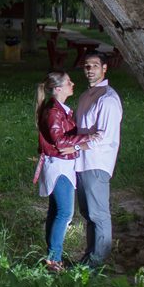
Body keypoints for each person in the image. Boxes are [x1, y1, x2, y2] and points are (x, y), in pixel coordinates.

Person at [34, 70, 99, 272]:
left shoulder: (58, 109)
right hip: (59, 165)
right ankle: (54, 259)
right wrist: (88, 139)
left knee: (56, 211)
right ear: (58, 88)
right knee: (65, 213)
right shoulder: (54, 111)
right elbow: (60, 142)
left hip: (59, 164)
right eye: (69, 82)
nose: (73, 84)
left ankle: (53, 256)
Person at [74, 52, 122, 268]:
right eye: (86, 66)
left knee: (98, 214)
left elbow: (103, 137)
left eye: (95, 65)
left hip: (97, 162)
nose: (90, 69)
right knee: (87, 213)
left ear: (104, 68)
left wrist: (73, 145)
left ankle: (98, 263)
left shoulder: (108, 99)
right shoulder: (87, 96)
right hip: (81, 162)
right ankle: (90, 257)